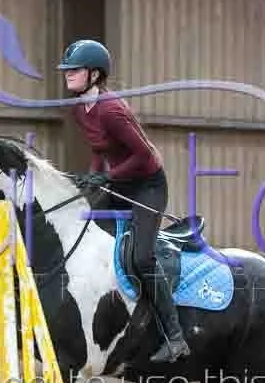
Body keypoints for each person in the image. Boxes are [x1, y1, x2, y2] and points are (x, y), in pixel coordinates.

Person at [57, 39, 191, 363]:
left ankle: (175, 337)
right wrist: (93, 179)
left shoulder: (112, 110)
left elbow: (146, 156)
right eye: (66, 70)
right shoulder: (79, 109)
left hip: (148, 186)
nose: (67, 74)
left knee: (142, 259)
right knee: (85, 233)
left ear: (94, 74)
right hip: (120, 182)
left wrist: (108, 177)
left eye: (74, 70)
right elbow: (99, 150)